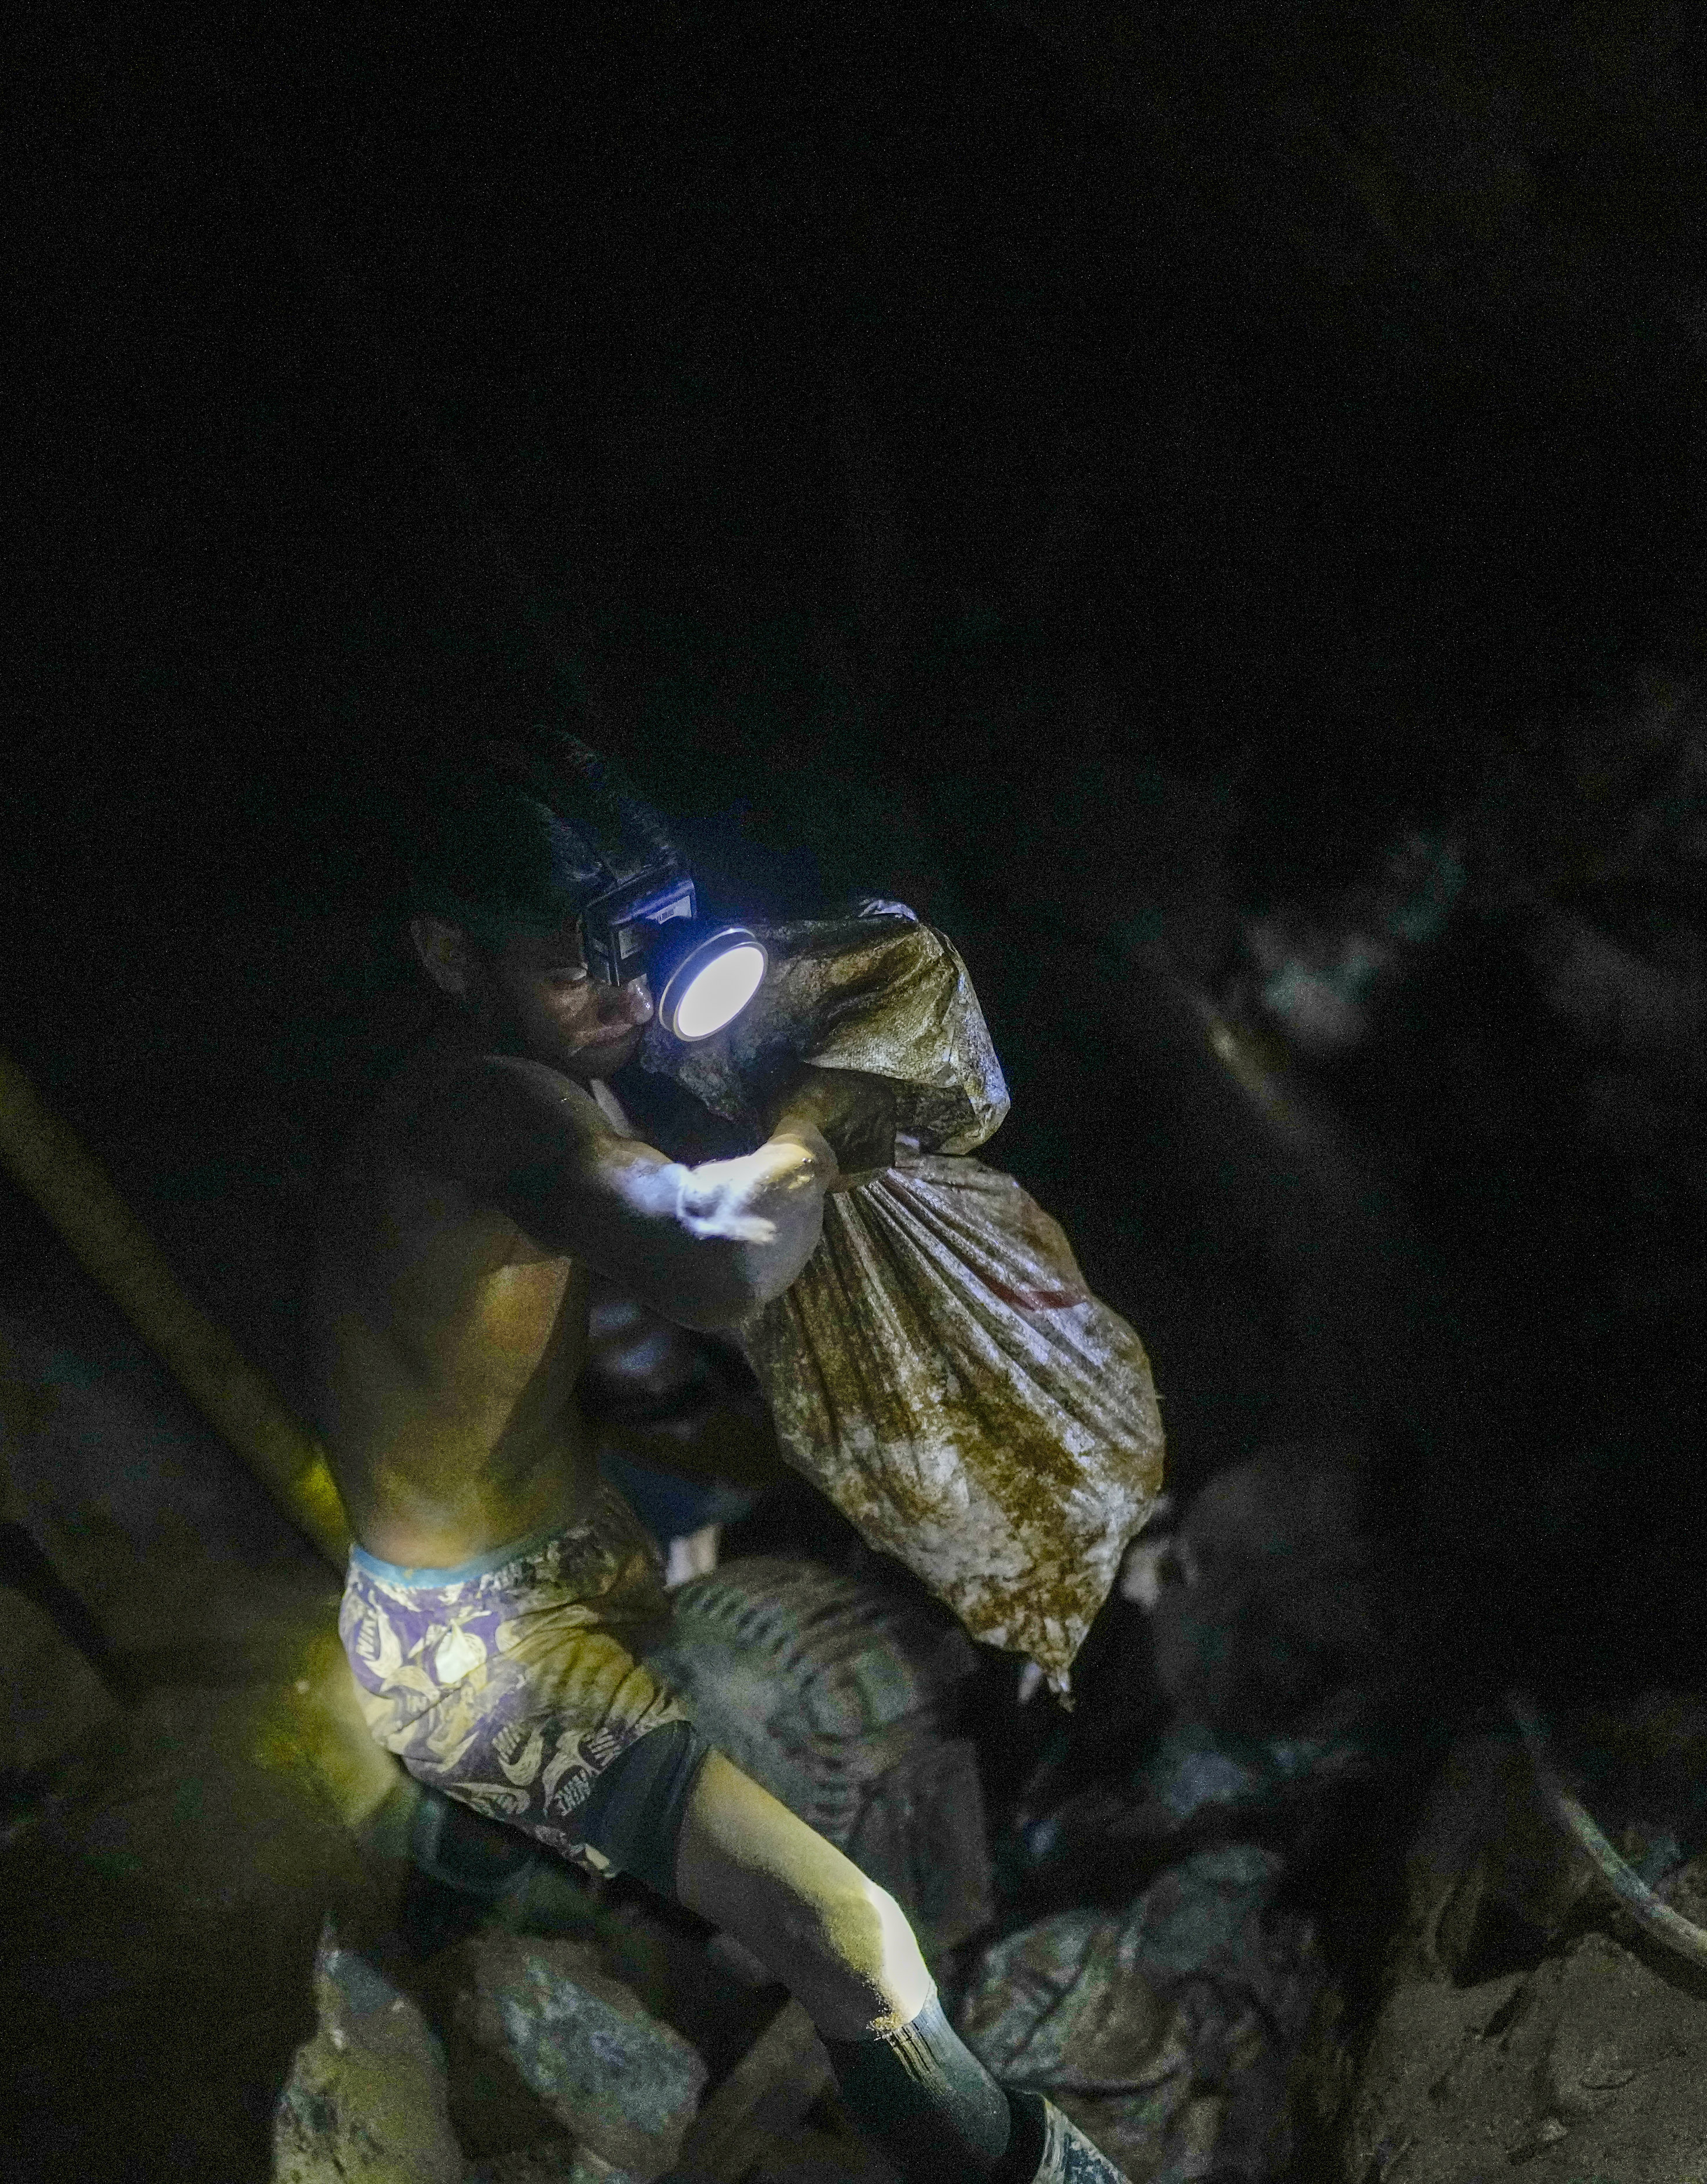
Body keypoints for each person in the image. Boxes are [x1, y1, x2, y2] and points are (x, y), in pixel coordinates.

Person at [311, 734, 1120, 2184]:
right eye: (576, 962)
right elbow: (716, 1261)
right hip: (475, 1653)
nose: (627, 993)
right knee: (851, 1940)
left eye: (647, 943)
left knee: (778, 1601)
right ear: (450, 956)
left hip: (579, 1546)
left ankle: (503, 1904)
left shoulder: (569, 1067)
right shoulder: (483, 1107)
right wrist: (814, 1121)